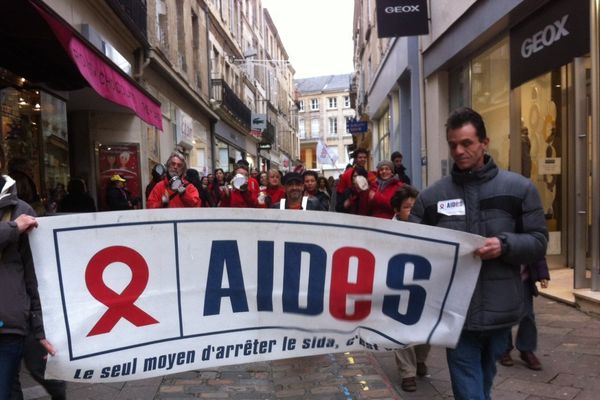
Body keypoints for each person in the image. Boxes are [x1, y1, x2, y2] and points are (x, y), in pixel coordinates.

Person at [409, 107, 548, 400]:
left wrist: (505, 245)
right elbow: (413, 246)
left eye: (467, 143)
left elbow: (538, 242)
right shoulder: (432, 198)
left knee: (484, 379)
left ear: (484, 142)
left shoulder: (519, 189)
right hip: (455, 312)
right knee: (468, 387)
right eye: (453, 144)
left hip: (501, 310)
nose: (459, 151)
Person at [0, 146, 56, 399]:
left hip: (7, 323)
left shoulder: (22, 210)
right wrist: (12, 230)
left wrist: (41, 328)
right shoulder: (17, 221)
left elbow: (35, 275)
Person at [390, 185, 431, 392]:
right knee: (400, 330)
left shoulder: (430, 229)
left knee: (426, 328)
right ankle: (408, 372)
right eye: (407, 207)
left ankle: (420, 358)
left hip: (423, 288)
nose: (412, 211)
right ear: (397, 210)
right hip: (396, 288)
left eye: (415, 207)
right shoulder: (387, 232)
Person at [500, 258, 550, 371]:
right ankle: (503, 349)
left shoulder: (530, 239)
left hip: (524, 280)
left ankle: (526, 350)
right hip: (502, 279)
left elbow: (538, 252)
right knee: (504, 315)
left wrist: (543, 274)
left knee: (527, 315)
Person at [335, 148, 376, 212]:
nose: (363, 159)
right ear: (356, 159)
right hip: (350, 210)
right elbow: (340, 193)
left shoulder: (370, 175)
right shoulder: (346, 175)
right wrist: (343, 205)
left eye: (365, 157)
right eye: (360, 157)